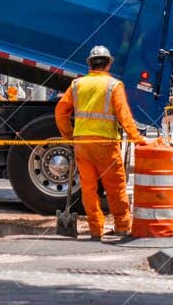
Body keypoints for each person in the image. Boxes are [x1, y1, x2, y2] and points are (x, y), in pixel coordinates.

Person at [54, 44, 150, 242]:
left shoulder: (76, 85)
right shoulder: (114, 85)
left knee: (88, 189)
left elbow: (60, 112)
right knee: (115, 187)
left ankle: (96, 229)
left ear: (90, 64)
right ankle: (122, 226)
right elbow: (124, 117)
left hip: (82, 143)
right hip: (105, 143)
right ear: (108, 64)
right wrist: (138, 138)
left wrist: (69, 136)